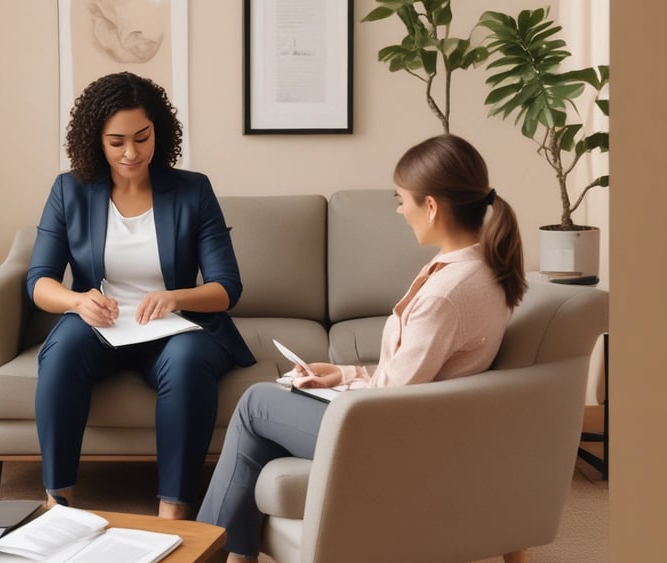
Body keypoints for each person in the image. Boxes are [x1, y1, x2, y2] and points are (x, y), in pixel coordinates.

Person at [196, 134, 530, 563]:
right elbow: (417, 373)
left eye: (402, 199)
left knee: (257, 402)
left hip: (394, 440)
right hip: (423, 424)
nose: (399, 210)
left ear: (431, 206)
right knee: (261, 431)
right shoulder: (483, 267)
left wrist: (342, 393)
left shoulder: (446, 292)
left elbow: (393, 398)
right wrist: (343, 376)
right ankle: (229, 556)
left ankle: (205, 553)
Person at [27, 71, 255, 519]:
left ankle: (174, 510)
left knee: (189, 362)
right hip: (101, 326)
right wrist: (77, 301)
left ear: (159, 132)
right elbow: (39, 280)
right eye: (117, 142)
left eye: (142, 138)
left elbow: (227, 287)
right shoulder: (69, 191)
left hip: (174, 329)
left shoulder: (193, 190)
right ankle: (58, 500)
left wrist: (175, 296)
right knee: (63, 351)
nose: (131, 152)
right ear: (96, 140)